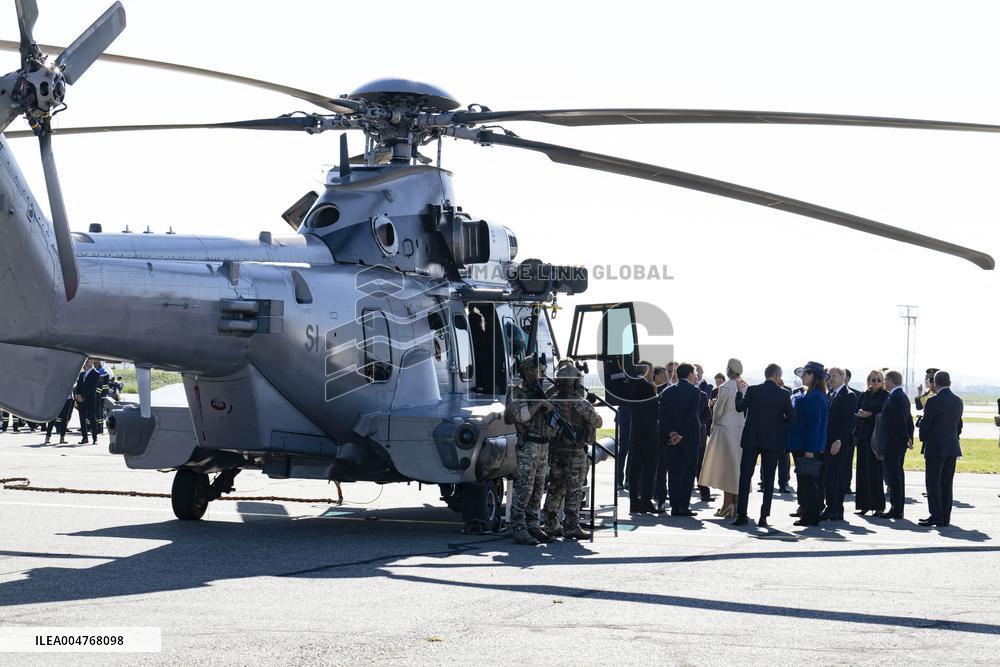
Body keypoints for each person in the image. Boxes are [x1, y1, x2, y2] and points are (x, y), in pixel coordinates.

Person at [542, 363, 603, 540]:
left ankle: (551, 524)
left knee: (555, 488)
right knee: (574, 490)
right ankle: (571, 526)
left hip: (555, 451)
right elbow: (597, 422)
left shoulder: (552, 401)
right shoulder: (580, 403)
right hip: (575, 453)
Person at [733, 363, 795, 527]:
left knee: (745, 477)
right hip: (771, 441)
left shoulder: (753, 390)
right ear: (777, 376)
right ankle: (763, 516)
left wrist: (739, 394)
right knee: (769, 480)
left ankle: (742, 514)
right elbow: (791, 418)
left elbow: (740, 408)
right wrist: (777, 423)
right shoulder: (783, 394)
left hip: (751, 439)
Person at [505, 356, 557, 545]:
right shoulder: (517, 394)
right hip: (528, 446)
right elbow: (520, 416)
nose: (538, 374)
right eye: (533, 370)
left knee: (538, 488)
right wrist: (540, 404)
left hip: (543, 445)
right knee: (524, 488)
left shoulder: (541, 393)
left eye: (540, 370)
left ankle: (533, 525)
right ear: (525, 372)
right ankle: (519, 528)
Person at [786, 361, 830, 527]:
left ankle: (811, 515)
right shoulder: (813, 394)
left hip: (807, 445)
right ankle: (810, 512)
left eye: (805, 374)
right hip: (805, 444)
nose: (802, 377)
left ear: (813, 376)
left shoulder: (813, 397)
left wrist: (810, 450)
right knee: (808, 482)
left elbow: (814, 425)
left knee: (808, 483)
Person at [700, 358, 746, 518]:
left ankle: (727, 505)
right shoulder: (744, 386)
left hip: (725, 430)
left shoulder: (725, 387)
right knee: (737, 467)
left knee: (725, 468)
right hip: (740, 429)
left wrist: (713, 416)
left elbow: (718, 411)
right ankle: (737, 504)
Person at [918, 370, 962, 527]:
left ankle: (936, 515)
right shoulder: (958, 401)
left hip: (935, 446)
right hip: (951, 446)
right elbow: (958, 425)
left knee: (933, 483)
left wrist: (922, 432)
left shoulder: (933, 401)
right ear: (950, 383)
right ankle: (945, 516)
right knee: (946, 483)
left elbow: (927, 424)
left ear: (935, 384)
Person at [658, 362, 702, 517]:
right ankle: (683, 506)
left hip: (671, 439)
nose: (696, 375)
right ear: (690, 373)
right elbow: (691, 416)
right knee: (688, 472)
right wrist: (681, 434)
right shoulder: (695, 391)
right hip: (689, 438)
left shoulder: (667, 392)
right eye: (694, 373)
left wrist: (672, 433)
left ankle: (675, 506)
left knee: (674, 472)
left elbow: (662, 416)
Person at [877, 370, 914, 520]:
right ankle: (896, 507)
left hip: (894, 443)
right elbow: (908, 419)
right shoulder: (899, 396)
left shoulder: (896, 397)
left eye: (885, 379)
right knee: (896, 475)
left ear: (891, 380)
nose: (884, 382)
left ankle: (896, 508)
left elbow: (901, 421)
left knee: (894, 476)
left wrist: (906, 438)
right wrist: (909, 437)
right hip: (896, 442)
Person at [822, 367, 857, 521]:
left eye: (834, 376)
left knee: (837, 477)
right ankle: (830, 507)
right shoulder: (830, 395)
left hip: (840, 443)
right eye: (829, 376)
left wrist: (839, 440)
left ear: (843, 377)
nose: (831, 379)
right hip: (828, 442)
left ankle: (836, 509)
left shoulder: (848, 396)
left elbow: (849, 423)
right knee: (829, 476)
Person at [854, 370, 889, 516]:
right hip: (863, 435)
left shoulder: (885, 395)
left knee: (875, 471)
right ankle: (864, 505)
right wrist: (861, 413)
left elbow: (885, 413)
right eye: (873, 379)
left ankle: (878, 506)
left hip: (875, 436)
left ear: (882, 382)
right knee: (862, 471)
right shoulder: (864, 394)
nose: (875, 382)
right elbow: (856, 408)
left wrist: (871, 414)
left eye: (878, 380)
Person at [627, 362, 660, 514]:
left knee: (635, 469)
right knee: (649, 469)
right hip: (648, 434)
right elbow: (653, 411)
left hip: (636, 433)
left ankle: (634, 502)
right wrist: (655, 393)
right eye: (652, 370)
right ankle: (646, 501)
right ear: (646, 371)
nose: (653, 374)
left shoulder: (632, 385)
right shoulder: (647, 387)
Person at [694, 363, 714, 502]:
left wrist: (700, 423)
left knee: (700, 464)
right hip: (692, 434)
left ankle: (704, 493)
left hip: (698, 434)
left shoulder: (702, 393)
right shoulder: (700, 394)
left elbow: (707, 414)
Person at [75, 359, 100, 444]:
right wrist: (77, 395)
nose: (86, 363)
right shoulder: (82, 374)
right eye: (85, 361)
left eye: (88, 361)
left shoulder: (96, 373)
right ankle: (84, 438)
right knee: (82, 419)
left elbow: (93, 388)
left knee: (92, 418)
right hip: (80, 400)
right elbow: (78, 386)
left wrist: (84, 397)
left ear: (93, 361)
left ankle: (94, 438)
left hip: (89, 400)